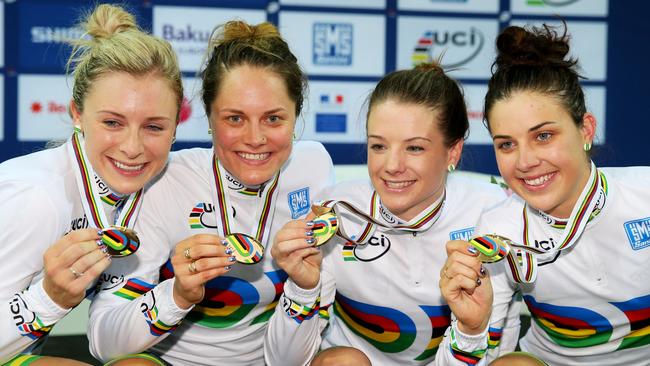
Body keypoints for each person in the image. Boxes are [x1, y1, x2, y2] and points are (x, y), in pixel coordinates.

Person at [87, 20, 335, 365]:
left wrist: (305, 288)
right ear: (208, 117)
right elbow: (103, 342)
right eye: (234, 118)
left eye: (274, 119)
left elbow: (292, 359)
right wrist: (176, 295)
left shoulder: (314, 167)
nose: (255, 138)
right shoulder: (165, 180)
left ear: (297, 116)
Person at [264, 62, 507, 365]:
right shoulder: (336, 212)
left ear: (452, 152)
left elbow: (496, 356)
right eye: (378, 146)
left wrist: (471, 330)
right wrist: (303, 287)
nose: (391, 166)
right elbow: (282, 362)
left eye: (414, 148)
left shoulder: (492, 216)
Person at [439, 23, 650, 365]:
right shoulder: (497, 233)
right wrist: (471, 328)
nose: (525, 162)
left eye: (543, 136)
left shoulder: (645, 195)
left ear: (586, 130)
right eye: (506, 144)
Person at [0, 3, 182, 365]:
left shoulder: (150, 188)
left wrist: (179, 294)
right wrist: (49, 299)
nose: (132, 148)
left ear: (176, 127)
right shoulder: (38, 199)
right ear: (77, 114)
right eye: (113, 123)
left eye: (154, 127)